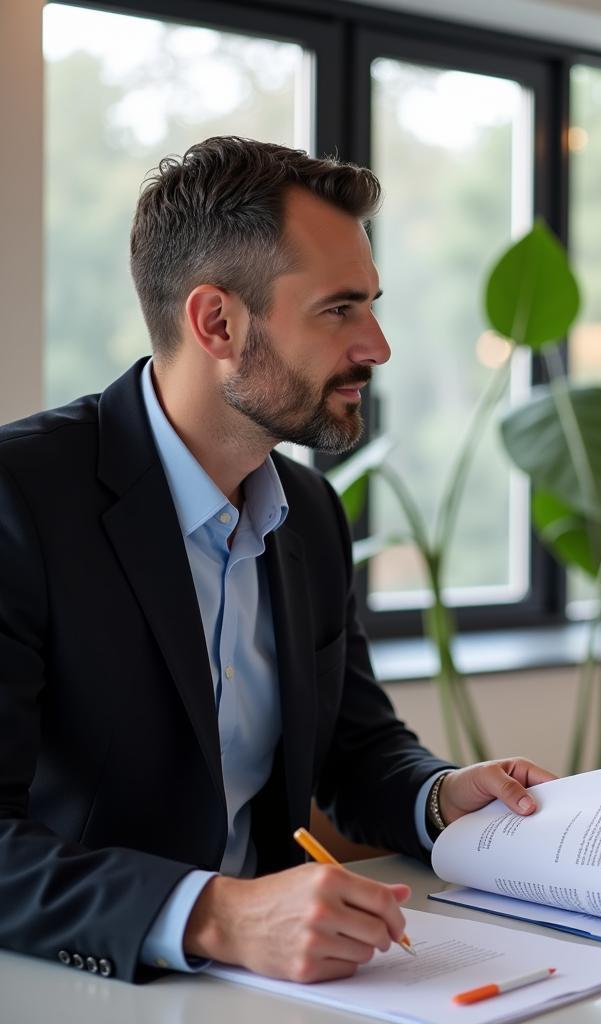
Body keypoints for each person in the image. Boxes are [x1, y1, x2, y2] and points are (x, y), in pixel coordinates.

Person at [0, 136, 555, 984]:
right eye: (339, 309)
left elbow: (355, 750)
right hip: (74, 986)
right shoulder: (20, 498)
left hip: (281, 992)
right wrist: (216, 914)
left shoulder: (311, 517)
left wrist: (441, 796)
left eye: (372, 305)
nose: (376, 345)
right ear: (216, 321)